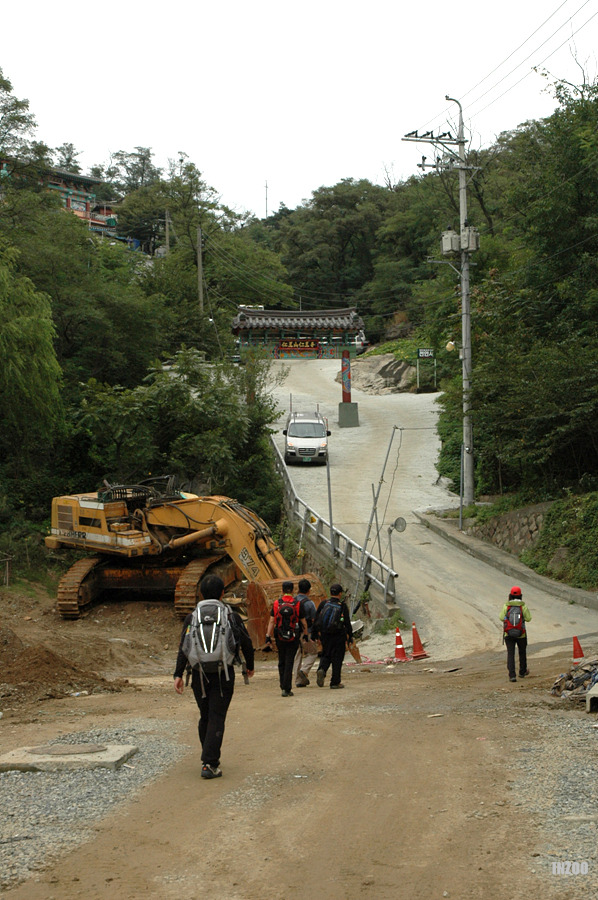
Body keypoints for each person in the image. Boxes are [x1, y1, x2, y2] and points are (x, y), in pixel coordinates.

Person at [173, 574, 254, 779]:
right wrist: (249, 667)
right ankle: (209, 763)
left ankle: (208, 755)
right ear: (222, 593)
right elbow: (246, 642)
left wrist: (178, 674)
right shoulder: (230, 615)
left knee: (206, 715)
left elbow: (184, 646)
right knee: (217, 717)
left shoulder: (192, 617)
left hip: (198, 675)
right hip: (223, 674)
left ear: (200, 594)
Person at [265, 580, 307, 697]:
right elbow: (303, 621)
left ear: (282, 590)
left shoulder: (276, 603)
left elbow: (272, 621)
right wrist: (306, 634)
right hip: (293, 637)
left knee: (281, 660)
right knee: (290, 661)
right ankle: (287, 688)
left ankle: (282, 685)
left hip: (279, 636)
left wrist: (268, 636)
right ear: (293, 591)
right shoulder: (297, 604)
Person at [312, 583, 353, 689]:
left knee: (326, 654)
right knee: (337, 658)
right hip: (339, 636)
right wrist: (350, 636)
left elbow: (317, 619)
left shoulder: (324, 603)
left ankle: (322, 669)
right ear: (340, 593)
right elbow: (347, 623)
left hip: (325, 635)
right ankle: (335, 682)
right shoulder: (342, 606)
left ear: (330, 593)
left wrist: (315, 634)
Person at [500, 585, 531, 683]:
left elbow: (501, 617)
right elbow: (529, 618)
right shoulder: (523, 606)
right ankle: (522, 672)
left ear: (510, 595)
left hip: (508, 634)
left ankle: (512, 675)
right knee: (522, 652)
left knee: (511, 654)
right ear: (520, 595)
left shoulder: (506, 606)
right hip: (521, 634)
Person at [293, 578, 319, 688]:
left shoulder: (293, 601)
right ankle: (304, 670)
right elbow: (314, 619)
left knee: (297, 656)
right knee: (313, 653)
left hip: (294, 632)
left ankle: (298, 681)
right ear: (309, 590)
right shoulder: (309, 603)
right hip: (306, 632)